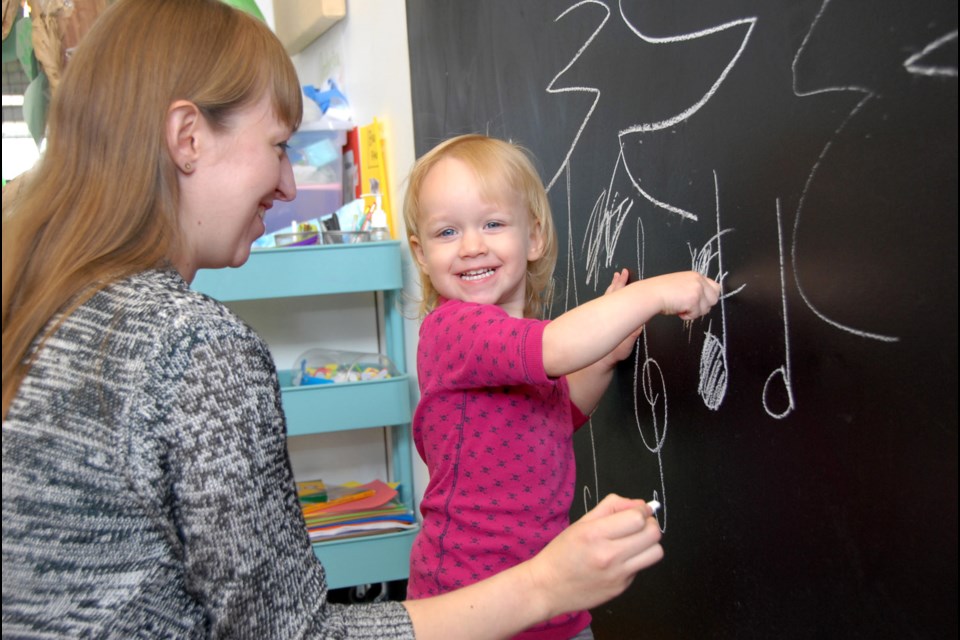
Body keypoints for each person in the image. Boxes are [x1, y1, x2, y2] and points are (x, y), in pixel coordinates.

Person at [1, 2, 665, 638]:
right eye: (280, 145)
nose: (291, 185)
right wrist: (548, 584)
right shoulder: (188, 347)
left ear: (534, 236)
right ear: (188, 138)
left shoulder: (52, 310)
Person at [402, 134, 721, 639]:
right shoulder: (454, 330)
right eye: (446, 232)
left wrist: (608, 353)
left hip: (554, 600)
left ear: (534, 236)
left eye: (492, 223)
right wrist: (650, 294)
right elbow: (557, 345)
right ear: (421, 254)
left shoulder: (520, 351)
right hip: (469, 605)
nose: (470, 246)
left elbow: (560, 414)